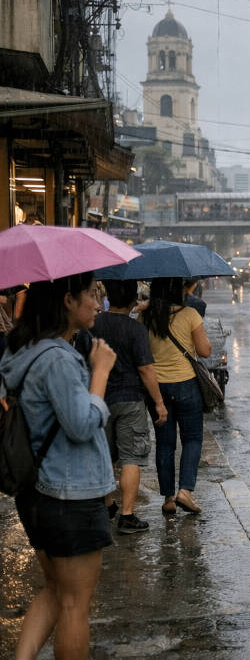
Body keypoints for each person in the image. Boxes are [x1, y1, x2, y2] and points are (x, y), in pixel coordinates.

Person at [0, 272, 117, 659]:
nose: (97, 304)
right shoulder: (56, 358)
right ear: (67, 300)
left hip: (39, 492)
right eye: (90, 294)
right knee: (75, 605)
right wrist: (99, 372)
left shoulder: (22, 349)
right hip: (69, 495)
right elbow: (82, 424)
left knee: (54, 591)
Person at [90, 279, 168, 535]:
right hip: (131, 400)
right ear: (134, 300)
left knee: (103, 455)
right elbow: (146, 369)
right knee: (131, 458)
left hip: (98, 398)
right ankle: (127, 515)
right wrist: (158, 402)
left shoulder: (93, 324)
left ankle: (108, 505)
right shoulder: (136, 330)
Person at [141, 277, 211, 515]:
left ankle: (169, 498)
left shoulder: (147, 317)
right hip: (186, 384)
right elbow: (204, 351)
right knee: (192, 438)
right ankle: (186, 491)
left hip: (157, 388)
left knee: (165, 442)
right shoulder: (190, 314)